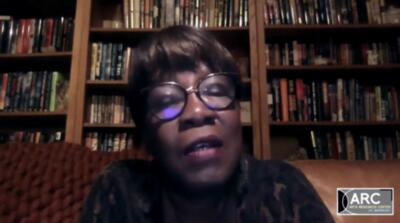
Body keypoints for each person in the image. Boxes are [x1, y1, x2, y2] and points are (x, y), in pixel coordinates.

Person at [80, 25, 334, 223]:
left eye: (215, 90)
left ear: (238, 113)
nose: (197, 112)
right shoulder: (119, 190)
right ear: (146, 135)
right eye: (167, 101)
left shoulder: (283, 188)